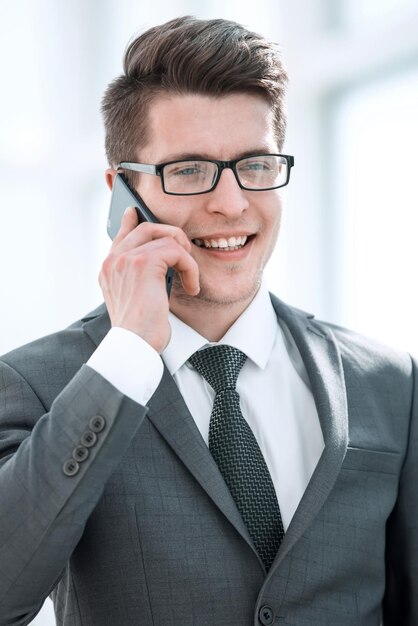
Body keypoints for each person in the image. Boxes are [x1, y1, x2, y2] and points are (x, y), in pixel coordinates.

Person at [0, 15, 416, 626]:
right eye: (189, 170)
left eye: (256, 164)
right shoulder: (40, 381)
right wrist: (128, 354)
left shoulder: (388, 381)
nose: (230, 202)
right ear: (123, 193)